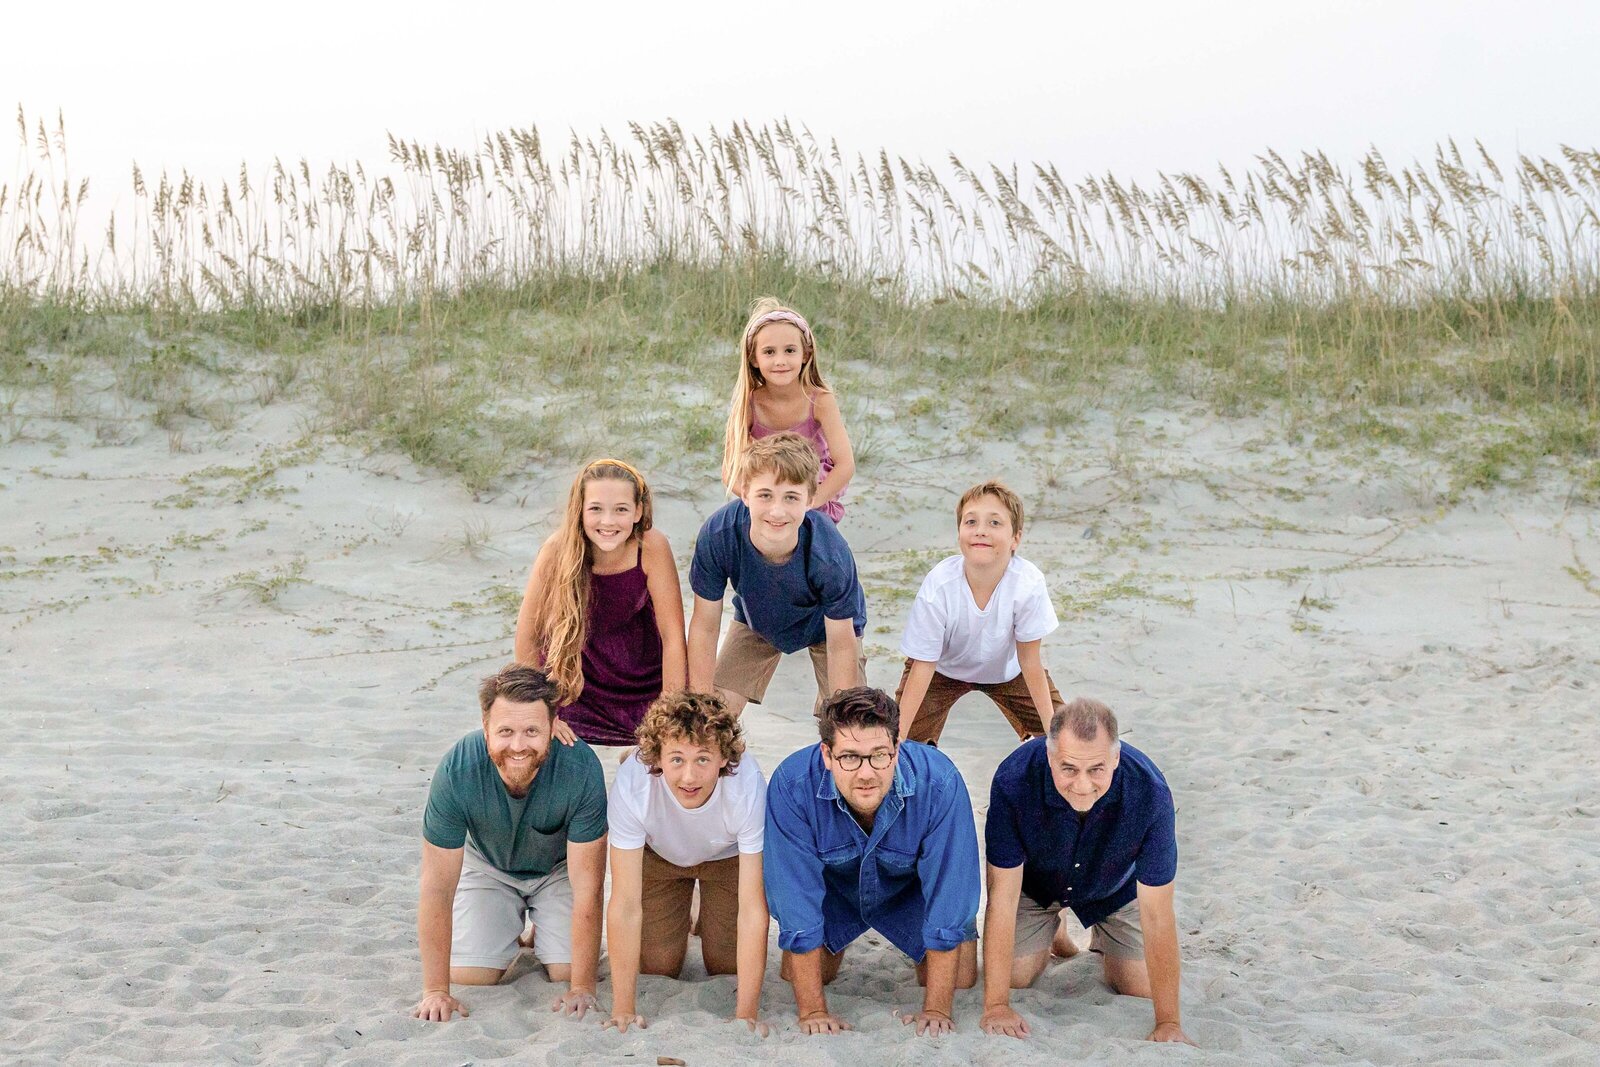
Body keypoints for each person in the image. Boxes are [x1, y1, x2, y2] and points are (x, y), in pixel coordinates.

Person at [764, 687, 980, 1036]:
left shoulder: (939, 783)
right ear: (827, 754)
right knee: (800, 973)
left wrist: (937, 1009)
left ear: (896, 751)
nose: (866, 773)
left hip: (912, 892)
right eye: (849, 757)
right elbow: (794, 898)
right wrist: (813, 1012)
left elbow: (951, 892)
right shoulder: (791, 785)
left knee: (962, 980)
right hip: (834, 892)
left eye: (878, 755)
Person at [979, 698, 1196, 1046]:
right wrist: (996, 1005)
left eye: (1096, 769)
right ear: (1050, 757)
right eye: (1068, 768)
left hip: (1112, 888)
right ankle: (1055, 928)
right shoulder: (1013, 779)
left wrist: (1168, 1020)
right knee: (1015, 977)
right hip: (1036, 887)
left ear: (1115, 758)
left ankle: (1103, 935)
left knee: (1140, 986)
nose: (1082, 784)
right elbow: (1001, 898)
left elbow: (1157, 913)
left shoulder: (1150, 793)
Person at [411, 664, 607, 1023]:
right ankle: (509, 927)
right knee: (472, 974)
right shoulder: (458, 769)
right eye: (505, 731)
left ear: (553, 728)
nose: (518, 745)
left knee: (565, 971)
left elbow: (589, 887)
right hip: (489, 866)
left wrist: (583, 987)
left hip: (556, 870)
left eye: (532, 731)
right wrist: (436, 991)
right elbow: (437, 887)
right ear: (486, 729)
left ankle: (541, 928)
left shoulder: (581, 767)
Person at [603, 691, 771, 1036]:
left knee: (726, 965)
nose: (690, 777)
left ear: (725, 758)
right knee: (658, 966)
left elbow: (754, 908)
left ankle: (703, 903)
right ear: (658, 757)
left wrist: (746, 1015)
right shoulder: (634, 785)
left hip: (726, 857)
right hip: (660, 856)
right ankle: (686, 903)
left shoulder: (747, 786)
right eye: (677, 759)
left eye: (703, 759)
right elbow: (623, 904)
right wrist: (623, 1010)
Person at [688, 432, 867, 719]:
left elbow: (841, 642)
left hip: (828, 628)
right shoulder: (720, 535)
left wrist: (843, 716)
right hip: (757, 619)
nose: (777, 510)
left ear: (811, 498)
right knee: (712, 715)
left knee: (846, 717)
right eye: (765, 495)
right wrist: (698, 709)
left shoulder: (829, 554)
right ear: (745, 492)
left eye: (791, 497)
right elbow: (705, 626)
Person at [513, 459, 687, 747]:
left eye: (620, 509)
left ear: (638, 511)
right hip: (577, 681)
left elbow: (672, 636)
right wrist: (541, 711)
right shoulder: (556, 550)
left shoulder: (651, 546)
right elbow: (528, 635)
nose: (608, 521)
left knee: (664, 741)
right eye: (596, 509)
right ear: (579, 510)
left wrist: (670, 715)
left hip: (641, 681)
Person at [896, 480, 1062, 744]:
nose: (980, 531)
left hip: (1009, 671)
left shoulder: (1027, 583)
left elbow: (1030, 661)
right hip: (941, 670)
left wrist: (1056, 738)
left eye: (994, 523)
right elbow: (924, 663)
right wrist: (898, 740)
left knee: (1068, 734)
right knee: (900, 742)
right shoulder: (940, 584)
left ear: (1015, 538)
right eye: (970, 522)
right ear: (959, 532)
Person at [721, 297, 855, 523]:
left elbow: (845, 465)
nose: (780, 360)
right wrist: (760, 503)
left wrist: (809, 503)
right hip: (765, 502)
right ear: (754, 358)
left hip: (811, 500)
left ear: (806, 354)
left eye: (790, 350)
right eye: (769, 352)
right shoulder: (748, 404)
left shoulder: (820, 400)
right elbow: (729, 471)